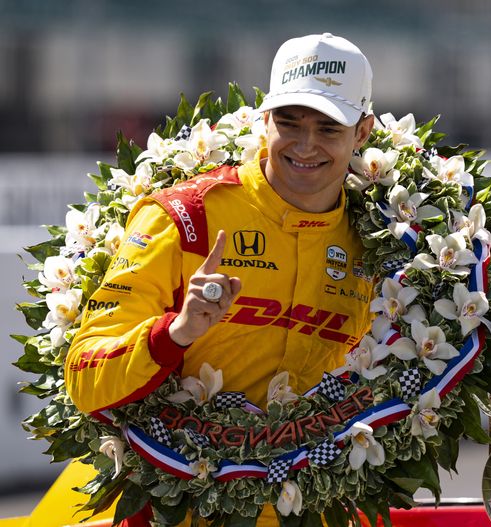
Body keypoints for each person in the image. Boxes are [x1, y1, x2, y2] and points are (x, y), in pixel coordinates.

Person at [59, 33, 376, 526]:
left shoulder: (386, 243)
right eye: (289, 123)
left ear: (363, 133)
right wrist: (176, 332)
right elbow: (83, 376)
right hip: (178, 511)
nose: (305, 145)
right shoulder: (185, 217)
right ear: (263, 120)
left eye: (329, 128)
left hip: (310, 509)